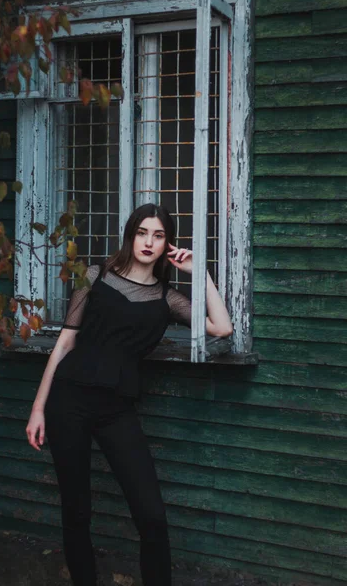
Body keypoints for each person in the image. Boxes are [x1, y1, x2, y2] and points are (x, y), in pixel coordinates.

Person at [26, 203, 233, 586]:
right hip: (67, 401)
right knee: (77, 511)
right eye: (142, 232)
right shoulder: (94, 275)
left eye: (158, 235)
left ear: (167, 243)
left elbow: (221, 327)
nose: (149, 242)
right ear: (130, 234)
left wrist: (199, 272)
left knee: (151, 516)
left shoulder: (166, 299)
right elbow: (64, 343)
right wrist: (38, 409)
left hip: (117, 409)